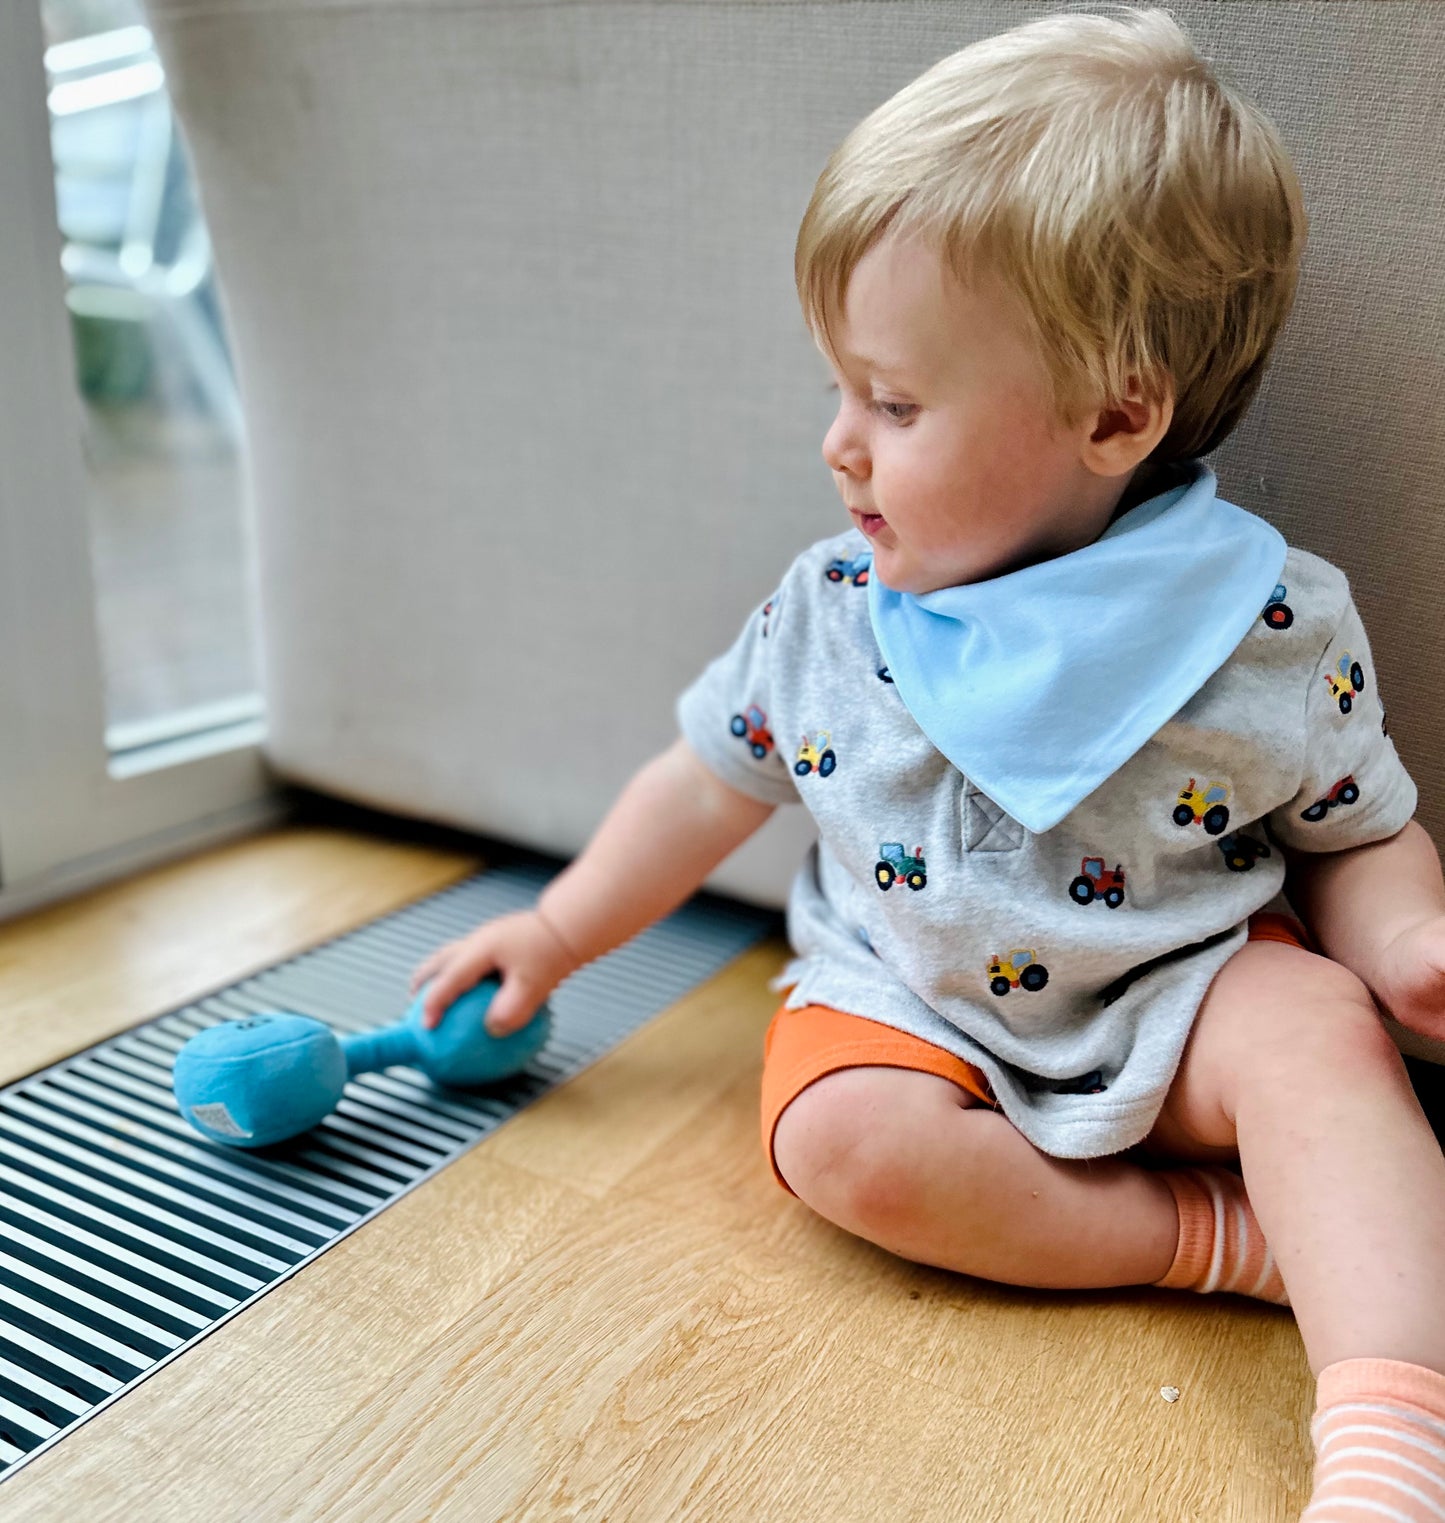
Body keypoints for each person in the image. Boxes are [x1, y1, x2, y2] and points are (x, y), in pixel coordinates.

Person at [409, 8, 1445, 1516]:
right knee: (838, 1146)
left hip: (1180, 983)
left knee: (1321, 1047)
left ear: (1111, 417)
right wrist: (559, 930)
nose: (839, 445)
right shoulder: (831, 608)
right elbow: (708, 780)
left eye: (893, 405)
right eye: (842, 391)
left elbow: (1354, 831)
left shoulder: (1266, 618)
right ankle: (1214, 1240)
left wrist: (1405, 943)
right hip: (904, 989)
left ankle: (1388, 1445)